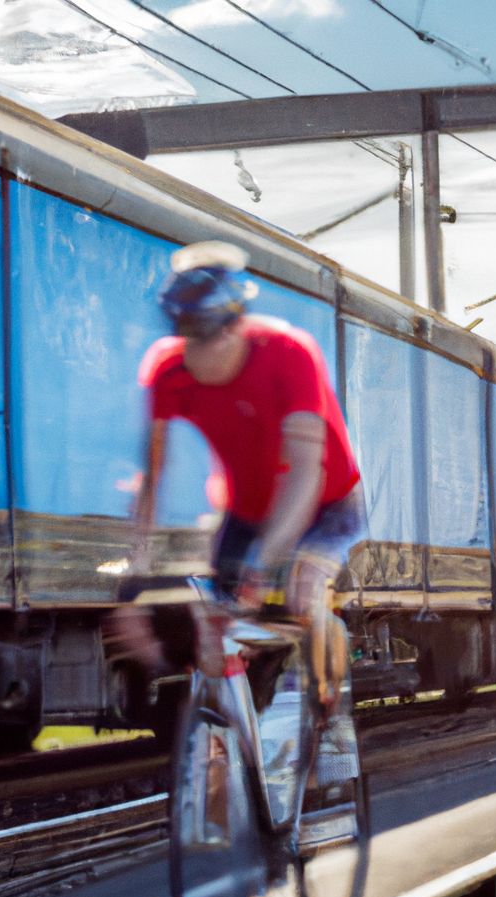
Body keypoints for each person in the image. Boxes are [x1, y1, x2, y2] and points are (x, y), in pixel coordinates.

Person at [109, 239, 366, 706]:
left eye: (208, 337)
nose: (198, 353)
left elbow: (304, 474)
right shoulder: (168, 370)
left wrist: (263, 564)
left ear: (235, 327)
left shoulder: (290, 352)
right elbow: (151, 479)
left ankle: (330, 715)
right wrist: (133, 579)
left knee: (302, 588)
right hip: (246, 510)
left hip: (327, 505)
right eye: (188, 337)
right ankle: (229, 728)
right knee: (217, 619)